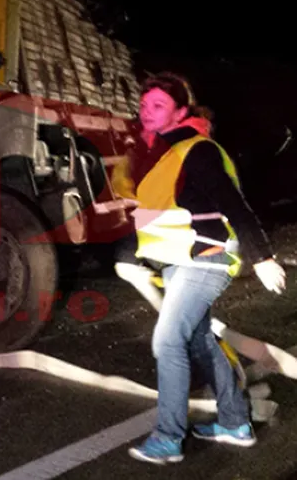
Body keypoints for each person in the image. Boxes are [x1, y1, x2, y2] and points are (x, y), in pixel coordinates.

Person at [121, 72, 286, 465]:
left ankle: (167, 438)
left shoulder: (197, 149)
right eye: (144, 105)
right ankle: (234, 424)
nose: (147, 112)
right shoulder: (162, 154)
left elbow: (234, 204)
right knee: (197, 340)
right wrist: (136, 256)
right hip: (181, 259)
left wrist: (261, 257)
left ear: (181, 111)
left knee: (167, 340)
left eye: (158, 105)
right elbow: (163, 214)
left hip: (208, 258)